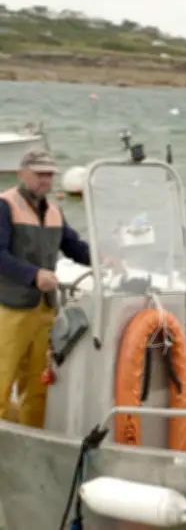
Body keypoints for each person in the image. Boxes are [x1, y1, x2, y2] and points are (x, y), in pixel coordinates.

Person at [0, 149, 92, 428]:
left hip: (45, 310)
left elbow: (74, 247)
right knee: (2, 380)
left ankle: (30, 444)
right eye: (40, 174)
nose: (46, 180)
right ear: (21, 174)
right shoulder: (5, 206)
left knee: (40, 386)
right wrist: (34, 274)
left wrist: (104, 258)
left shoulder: (54, 212)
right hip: (9, 308)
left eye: (50, 174)